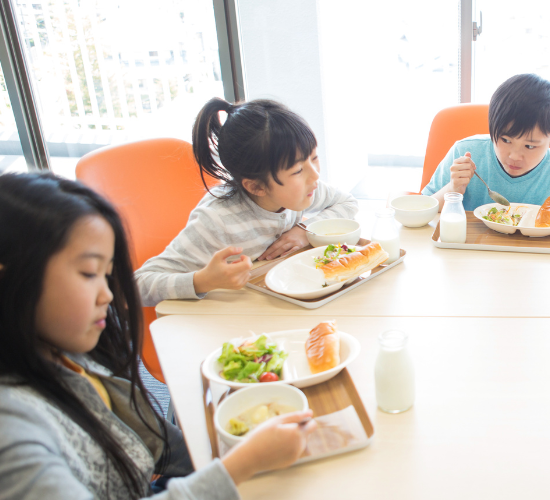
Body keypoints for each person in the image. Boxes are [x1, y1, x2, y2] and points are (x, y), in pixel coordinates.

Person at [0, 173, 317, 499]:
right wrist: (238, 466)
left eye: (106, 275)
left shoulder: (62, 352)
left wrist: (225, 455)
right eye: (88, 274)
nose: (107, 295)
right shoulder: (12, 431)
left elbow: (155, 443)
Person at [135, 98, 358, 307]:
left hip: (280, 302)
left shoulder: (302, 190)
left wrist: (304, 230)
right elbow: (139, 285)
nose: (315, 176)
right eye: (298, 170)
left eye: (314, 157)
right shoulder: (216, 221)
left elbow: (347, 203)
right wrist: (203, 280)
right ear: (257, 187)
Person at [422, 73, 550, 212]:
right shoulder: (464, 152)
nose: (515, 156)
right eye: (505, 140)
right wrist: (453, 189)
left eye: (530, 146)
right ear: (491, 128)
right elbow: (423, 208)